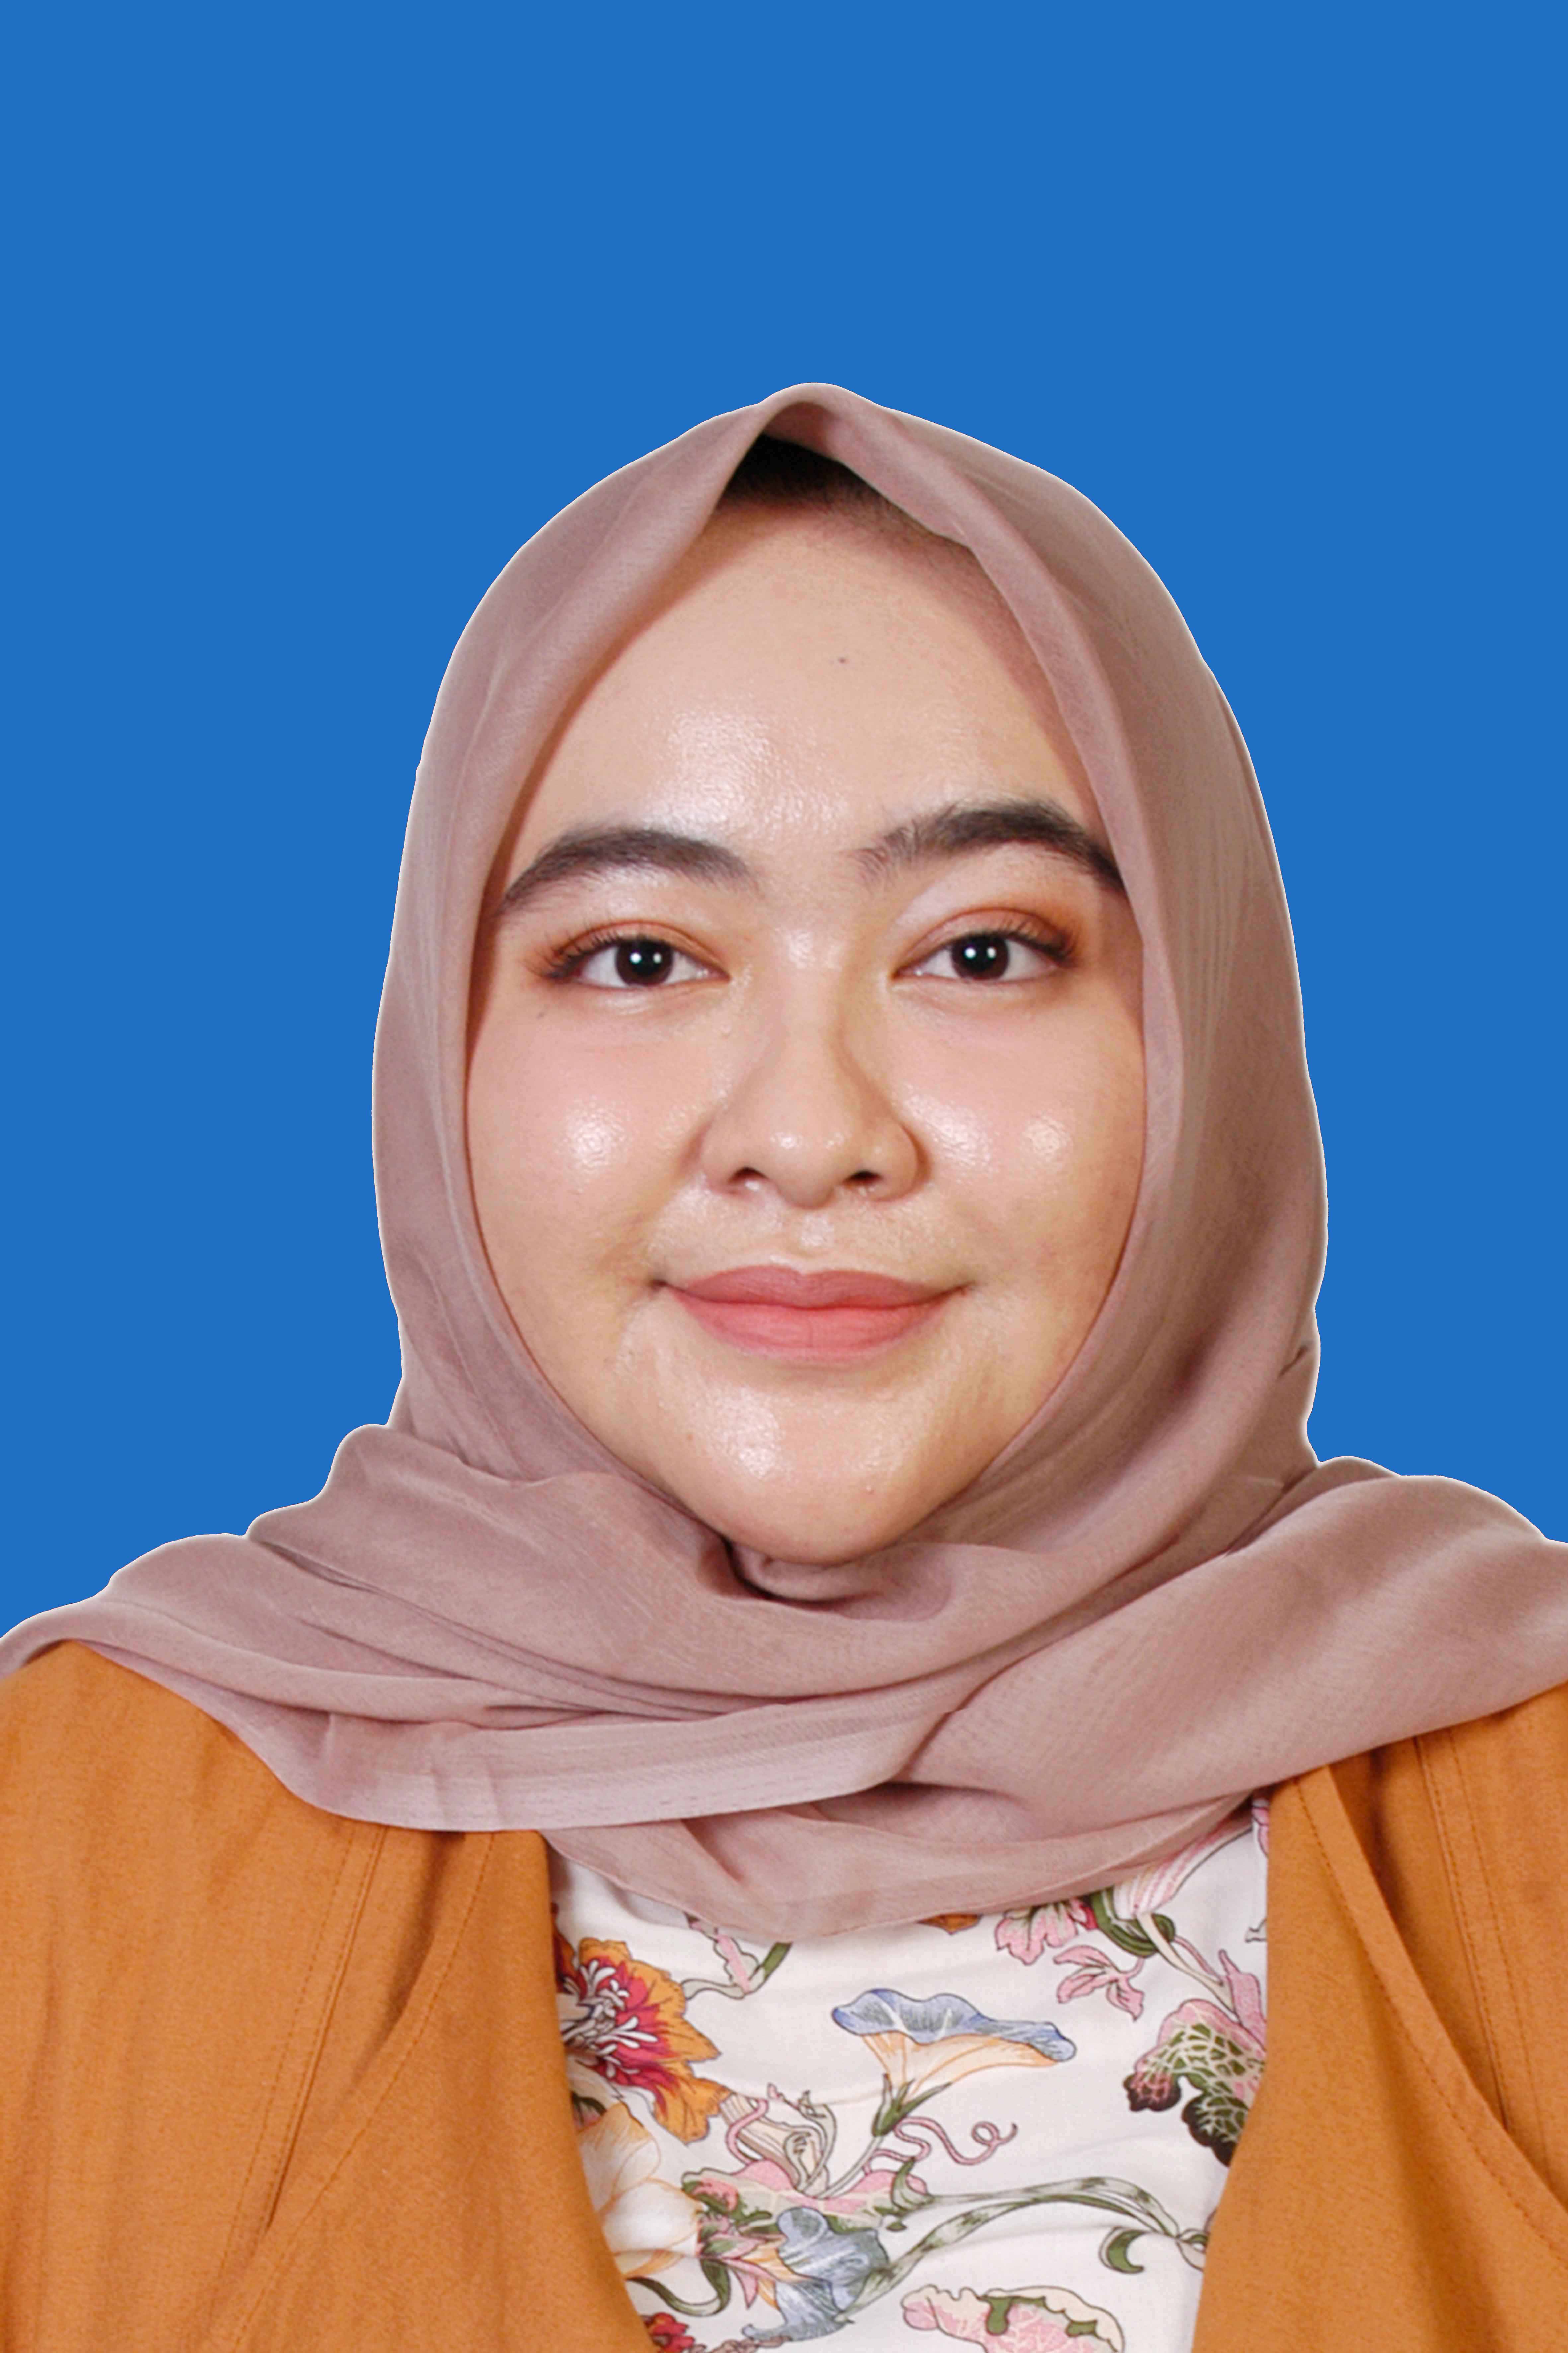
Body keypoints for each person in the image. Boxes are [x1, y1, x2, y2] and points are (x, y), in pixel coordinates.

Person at [2, 385, 1566, 2353]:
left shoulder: (1529, 1806)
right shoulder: (67, 1851)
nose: (809, 1134)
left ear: (1207, 1035)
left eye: (982, 952)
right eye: (639, 958)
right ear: (440, 1057)